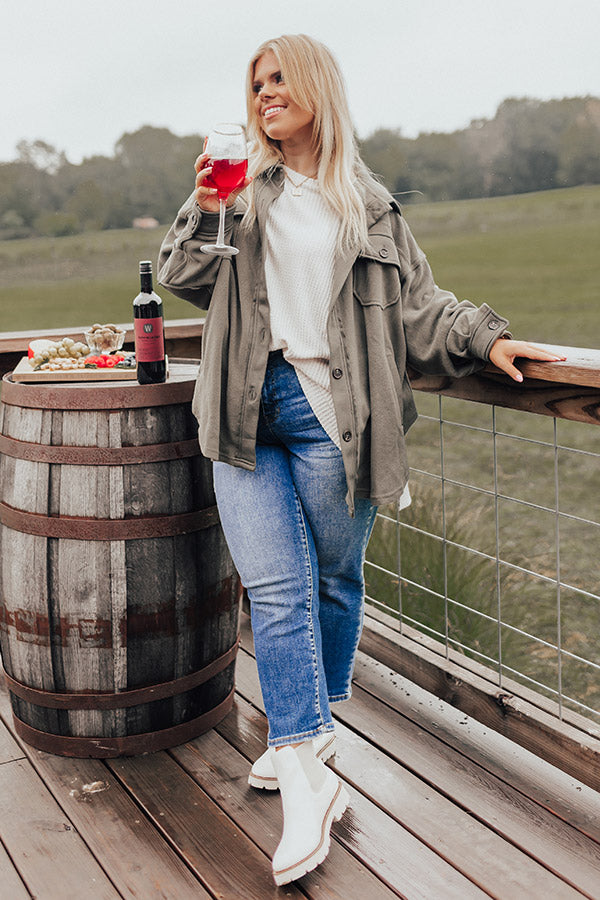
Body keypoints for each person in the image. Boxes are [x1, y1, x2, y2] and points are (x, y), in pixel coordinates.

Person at [158, 33, 564, 885]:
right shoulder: (243, 193)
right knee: (275, 585)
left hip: (330, 420)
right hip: (239, 413)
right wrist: (203, 206)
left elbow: (423, 310)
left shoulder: (369, 208)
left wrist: (486, 337)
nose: (264, 94)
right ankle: (307, 770)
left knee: (334, 580)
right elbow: (181, 275)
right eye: (255, 85)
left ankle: (315, 723)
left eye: (279, 81)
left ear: (315, 89)